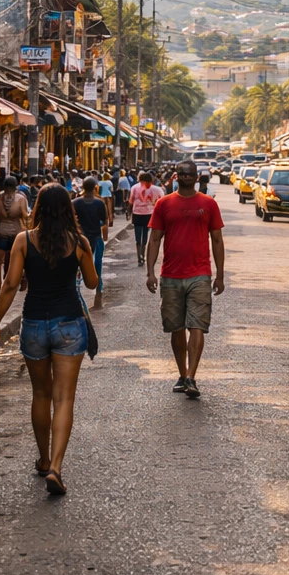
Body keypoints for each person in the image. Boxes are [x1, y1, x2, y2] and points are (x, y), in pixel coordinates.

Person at [0, 184, 98, 496]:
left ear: (37, 209)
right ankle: (56, 468)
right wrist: (82, 261)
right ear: (68, 209)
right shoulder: (79, 242)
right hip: (69, 325)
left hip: (34, 324)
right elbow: (91, 282)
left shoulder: (24, 240)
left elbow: (10, 284)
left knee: (41, 395)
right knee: (64, 399)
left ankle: (43, 458)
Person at [144, 160, 225, 400]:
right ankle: (182, 374)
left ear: (197, 177)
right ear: (176, 177)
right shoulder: (163, 204)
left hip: (200, 274)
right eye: (182, 174)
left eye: (190, 174)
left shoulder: (209, 204)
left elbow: (217, 240)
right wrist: (150, 271)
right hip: (170, 275)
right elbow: (155, 239)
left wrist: (220, 274)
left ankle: (191, 376)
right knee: (176, 328)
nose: (186, 177)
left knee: (197, 325)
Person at [73, 175, 112, 311]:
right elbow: (105, 221)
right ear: (96, 187)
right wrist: (105, 237)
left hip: (79, 240)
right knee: (97, 268)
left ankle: (75, 298)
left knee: (75, 269)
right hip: (96, 238)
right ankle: (98, 296)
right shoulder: (99, 203)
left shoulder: (76, 202)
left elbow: (72, 221)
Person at [0, 176, 30, 294]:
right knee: (19, 259)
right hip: (16, 235)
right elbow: (24, 216)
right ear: (15, 186)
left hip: (1, 233)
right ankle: (18, 279)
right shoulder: (21, 199)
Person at [129, 170, 163, 267]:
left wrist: (128, 212)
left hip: (137, 214)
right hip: (149, 214)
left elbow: (131, 201)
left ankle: (139, 257)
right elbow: (161, 202)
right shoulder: (157, 189)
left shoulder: (134, 188)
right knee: (145, 236)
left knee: (137, 236)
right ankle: (143, 255)